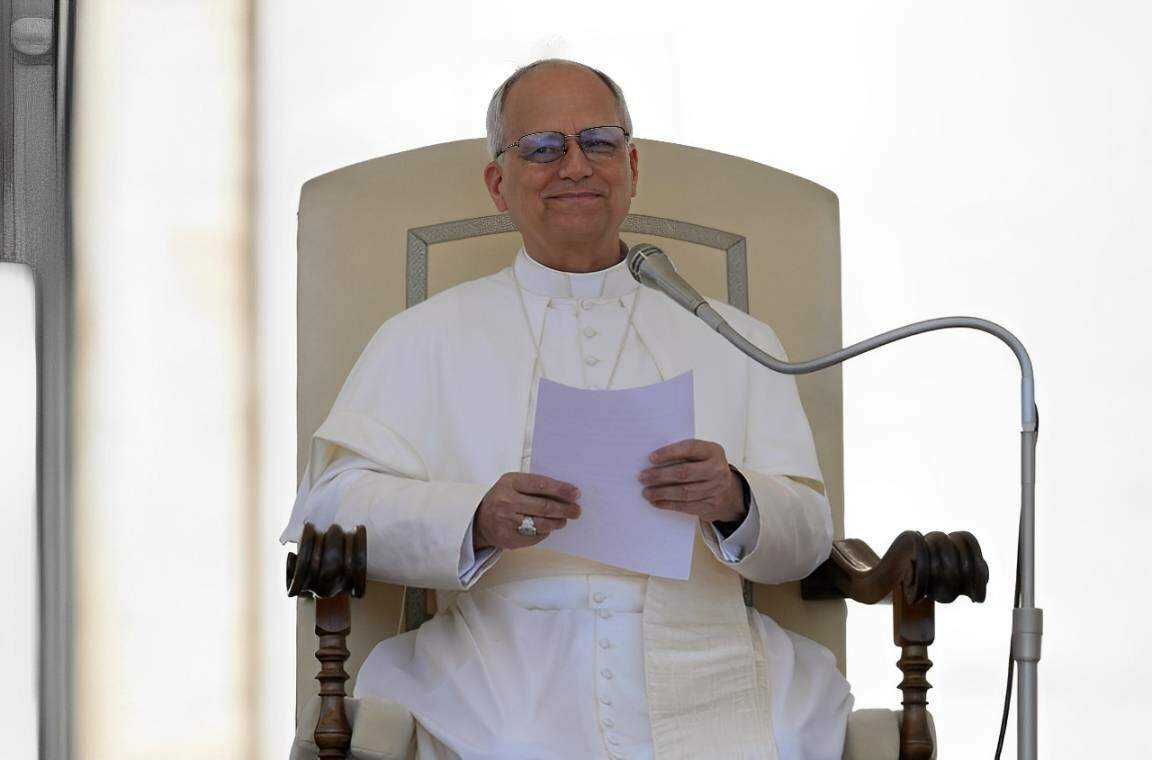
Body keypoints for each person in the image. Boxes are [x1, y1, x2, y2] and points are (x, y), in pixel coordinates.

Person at [283, 59, 852, 760]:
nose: (576, 165)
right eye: (543, 148)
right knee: (513, 744)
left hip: (709, 646)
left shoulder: (736, 338)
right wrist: (475, 516)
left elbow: (809, 533)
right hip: (505, 652)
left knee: (781, 735)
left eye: (600, 142)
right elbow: (330, 507)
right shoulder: (424, 336)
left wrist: (737, 499)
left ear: (631, 168)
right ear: (499, 184)